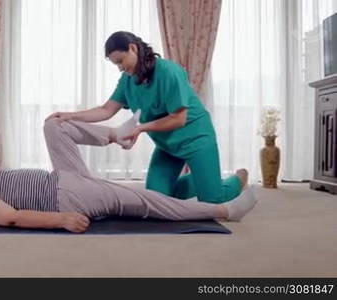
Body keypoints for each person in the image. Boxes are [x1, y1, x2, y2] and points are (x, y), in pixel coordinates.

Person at [0, 118, 257, 233]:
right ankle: (225, 211)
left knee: (52, 125)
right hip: (66, 197)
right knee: (148, 200)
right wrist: (63, 220)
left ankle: (117, 133)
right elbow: (13, 218)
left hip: (62, 177)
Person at [46, 31, 247, 204]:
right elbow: (106, 110)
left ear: (133, 48)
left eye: (120, 61)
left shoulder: (169, 71)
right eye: (116, 64)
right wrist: (70, 116)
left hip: (196, 138)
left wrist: (141, 128)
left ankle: (236, 179)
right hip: (168, 145)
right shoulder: (127, 80)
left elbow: (179, 119)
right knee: (156, 198)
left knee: (211, 201)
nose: (120, 68)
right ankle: (205, 177)